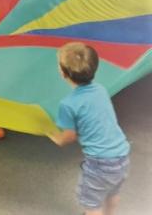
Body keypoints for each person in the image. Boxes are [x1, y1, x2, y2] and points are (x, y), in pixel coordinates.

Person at [49, 42, 130, 215]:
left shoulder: (68, 104)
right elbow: (96, 118)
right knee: (113, 193)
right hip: (122, 155)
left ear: (63, 73)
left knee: (91, 204)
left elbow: (69, 136)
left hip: (100, 163)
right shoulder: (101, 90)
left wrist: (56, 137)